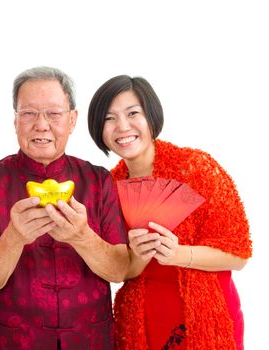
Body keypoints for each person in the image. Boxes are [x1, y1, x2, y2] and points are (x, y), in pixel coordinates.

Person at [0, 67, 130, 349]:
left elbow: (119, 270)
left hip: (89, 339)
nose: (41, 125)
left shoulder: (98, 181)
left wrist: (81, 237)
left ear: (72, 120)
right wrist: (14, 237)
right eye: (28, 113)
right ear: (15, 121)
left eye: (53, 113)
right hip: (13, 340)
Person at [87, 75, 253, 349]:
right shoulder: (109, 189)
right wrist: (138, 257)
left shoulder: (196, 168)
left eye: (132, 113)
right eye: (109, 118)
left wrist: (179, 255)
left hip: (203, 319)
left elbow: (238, 255)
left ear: (151, 115)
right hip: (140, 322)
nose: (122, 126)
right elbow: (120, 271)